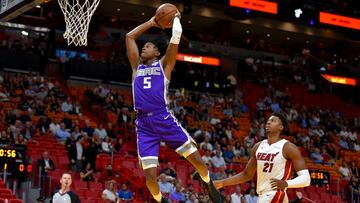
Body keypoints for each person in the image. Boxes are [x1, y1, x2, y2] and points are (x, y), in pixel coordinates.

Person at [126, 9, 222, 203]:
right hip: (143, 125)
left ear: (158, 52)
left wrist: (176, 17)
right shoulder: (136, 67)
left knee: (198, 163)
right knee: (150, 178)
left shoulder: (164, 65)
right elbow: (129, 36)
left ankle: (206, 180)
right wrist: (152, 21)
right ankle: (161, 200)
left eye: (149, 46)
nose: (144, 47)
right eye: (143, 46)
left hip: (163, 118)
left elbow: (176, 35)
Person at [214, 113, 311, 202]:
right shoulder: (258, 146)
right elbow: (247, 174)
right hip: (262, 195)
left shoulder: (288, 147)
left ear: (281, 127)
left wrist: (286, 183)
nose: (268, 122)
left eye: (273, 121)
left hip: (275, 194)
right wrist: (223, 183)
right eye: (268, 120)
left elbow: (306, 179)